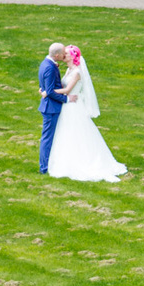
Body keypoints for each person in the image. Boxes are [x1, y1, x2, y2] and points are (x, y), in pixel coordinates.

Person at [45, 43, 128, 182]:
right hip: (67, 106)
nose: (64, 55)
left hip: (73, 106)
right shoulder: (68, 71)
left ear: (73, 56)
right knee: (66, 133)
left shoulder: (77, 72)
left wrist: (47, 92)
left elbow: (67, 91)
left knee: (76, 132)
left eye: (67, 53)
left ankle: (80, 161)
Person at [38, 43, 71, 173]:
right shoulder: (50, 68)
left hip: (49, 106)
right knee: (47, 138)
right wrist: (67, 99)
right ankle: (44, 168)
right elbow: (51, 91)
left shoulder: (46, 63)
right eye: (63, 53)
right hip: (51, 108)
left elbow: (46, 88)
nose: (64, 55)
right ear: (57, 55)